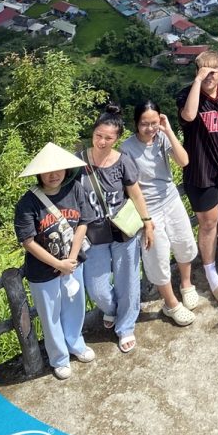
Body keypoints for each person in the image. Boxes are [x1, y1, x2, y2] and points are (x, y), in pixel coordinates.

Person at [14, 143, 96, 380]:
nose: (54, 174)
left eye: (58, 169)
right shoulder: (27, 202)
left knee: (75, 306)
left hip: (72, 264)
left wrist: (70, 260)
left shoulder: (75, 189)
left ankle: (76, 344)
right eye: (48, 170)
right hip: (42, 270)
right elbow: (28, 241)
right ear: (38, 173)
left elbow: (83, 222)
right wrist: (58, 264)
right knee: (50, 316)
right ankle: (59, 358)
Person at [80, 105, 155, 354]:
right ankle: (113, 309)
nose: (102, 141)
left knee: (128, 281)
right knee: (97, 288)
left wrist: (147, 222)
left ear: (116, 139)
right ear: (93, 133)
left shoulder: (123, 161)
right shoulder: (78, 160)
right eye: (98, 135)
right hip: (93, 234)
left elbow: (135, 193)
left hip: (123, 230)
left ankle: (126, 326)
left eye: (108, 138)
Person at [119, 101, 199, 327]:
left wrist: (169, 130)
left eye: (154, 122)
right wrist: (146, 221)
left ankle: (186, 284)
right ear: (135, 124)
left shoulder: (162, 138)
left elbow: (184, 161)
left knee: (184, 242)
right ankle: (171, 304)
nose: (150, 128)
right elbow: (132, 190)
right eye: (145, 123)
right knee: (158, 256)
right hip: (149, 209)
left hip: (171, 199)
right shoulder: (127, 148)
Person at [177, 50, 218, 305]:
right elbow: (190, 116)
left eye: (214, 70)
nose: (209, 75)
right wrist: (197, 82)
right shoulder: (186, 95)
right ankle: (210, 271)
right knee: (207, 223)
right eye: (204, 70)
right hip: (200, 170)